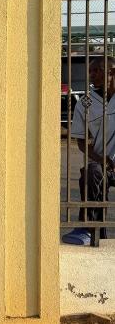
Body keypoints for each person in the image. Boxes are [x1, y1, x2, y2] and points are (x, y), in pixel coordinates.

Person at [62, 56, 115, 245]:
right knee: (92, 173)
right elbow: (82, 142)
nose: (91, 75)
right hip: (105, 164)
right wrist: (102, 159)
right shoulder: (85, 102)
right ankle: (91, 231)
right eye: (90, 71)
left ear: (112, 73)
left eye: (97, 71)